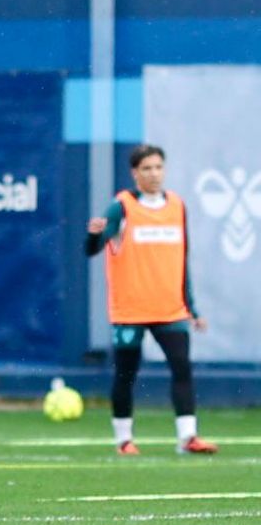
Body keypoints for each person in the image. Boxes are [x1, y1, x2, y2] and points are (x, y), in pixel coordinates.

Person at [85, 144, 216, 456]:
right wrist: (93, 234)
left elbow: (182, 260)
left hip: (170, 308)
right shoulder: (123, 207)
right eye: (147, 168)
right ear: (135, 173)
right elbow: (92, 249)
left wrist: (192, 308)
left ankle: (187, 437)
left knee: (182, 368)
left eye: (158, 167)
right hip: (130, 310)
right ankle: (124, 440)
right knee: (126, 373)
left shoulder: (177, 206)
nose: (154, 174)